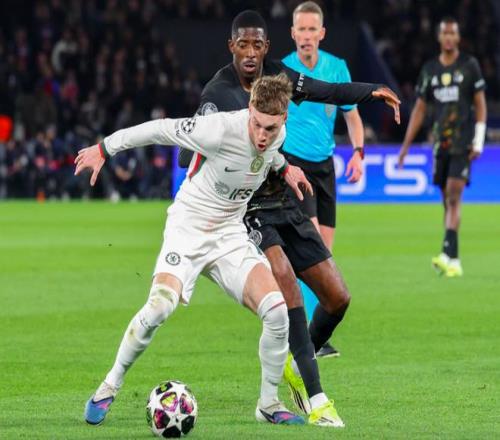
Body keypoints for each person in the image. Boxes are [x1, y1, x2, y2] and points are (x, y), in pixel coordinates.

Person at [178, 10, 400, 426]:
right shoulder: (217, 93)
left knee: (338, 297)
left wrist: (372, 92)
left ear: (266, 47)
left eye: (256, 45)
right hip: (248, 209)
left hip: (284, 200)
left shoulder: (279, 77)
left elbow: (327, 91)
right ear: (232, 46)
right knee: (286, 286)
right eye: (242, 44)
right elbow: (185, 153)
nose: (250, 53)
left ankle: (298, 362)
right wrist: (205, 146)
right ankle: (316, 399)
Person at [78, 74, 313, 427]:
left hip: (229, 234)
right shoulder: (217, 129)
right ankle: (109, 385)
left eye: (271, 128)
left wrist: (286, 168)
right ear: (250, 109)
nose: (263, 136)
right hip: (188, 227)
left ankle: (268, 404)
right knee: (160, 306)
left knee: (277, 311)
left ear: (283, 120)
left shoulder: (276, 135)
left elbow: (271, 154)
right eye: (257, 125)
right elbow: (159, 129)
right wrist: (104, 149)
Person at [281, 1, 366, 358]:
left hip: (325, 166)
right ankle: (303, 335)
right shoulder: (283, 70)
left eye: (311, 29)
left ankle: (313, 335)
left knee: (323, 255)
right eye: (300, 29)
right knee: (312, 247)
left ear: (322, 33)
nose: (306, 35)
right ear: (293, 33)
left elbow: (352, 115)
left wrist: (358, 153)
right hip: (294, 165)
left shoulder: (337, 68)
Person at [398, 17, 487, 277]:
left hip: (463, 142)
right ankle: (454, 259)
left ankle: (446, 252)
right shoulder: (430, 70)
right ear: (439, 37)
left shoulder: (469, 66)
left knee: (454, 195)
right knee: (446, 200)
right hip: (440, 145)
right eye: (445, 33)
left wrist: (478, 140)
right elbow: (420, 109)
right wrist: (405, 147)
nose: (448, 37)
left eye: (452, 33)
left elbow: (480, 105)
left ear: (458, 38)